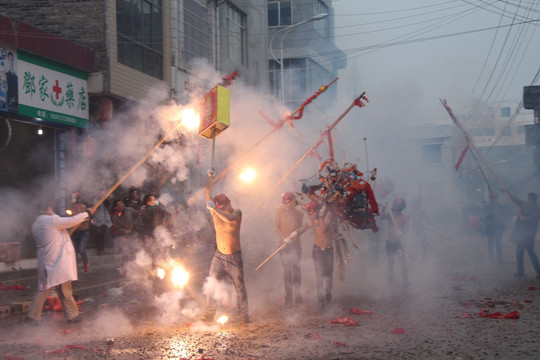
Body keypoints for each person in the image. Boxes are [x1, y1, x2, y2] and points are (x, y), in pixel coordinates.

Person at [24, 198, 95, 325]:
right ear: (46, 210)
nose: (52, 210)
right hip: (57, 261)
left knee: (43, 290)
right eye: (50, 208)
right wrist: (87, 214)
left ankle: (32, 316)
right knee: (65, 290)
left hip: (45, 260)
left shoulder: (36, 224)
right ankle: (72, 315)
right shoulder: (51, 220)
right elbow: (71, 221)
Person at [200, 193, 249, 324]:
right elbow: (207, 193)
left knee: (239, 287)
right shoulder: (215, 212)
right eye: (223, 206)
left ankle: (243, 315)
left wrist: (214, 209)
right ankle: (210, 313)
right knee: (211, 283)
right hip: (219, 256)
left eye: (227, 204)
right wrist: (210, 177)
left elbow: (228, 219)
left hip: (234, 257)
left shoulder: (237, 213)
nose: (227, 207)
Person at [286, 200, 336, 309]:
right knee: (319, 274)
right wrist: (293, 235)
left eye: (313, 213)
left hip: (328, 249)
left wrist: (320, 217)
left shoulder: (328, 214)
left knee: (328, 274)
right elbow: (304, 228)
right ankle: (320, 299)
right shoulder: (314, 217)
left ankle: (328, 295)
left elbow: (323, 229)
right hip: (317, 249)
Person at [275, 191, 304, 308]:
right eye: (285, 203)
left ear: (293, 202)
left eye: (288, 203)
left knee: (296, 270)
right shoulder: (279, 210)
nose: (286, 205)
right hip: (284, 246)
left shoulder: (299, 214)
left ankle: (297, 294)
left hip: (296, 246)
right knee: (287, 272)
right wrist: (284, 238)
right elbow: (277, 226)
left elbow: (300, 229)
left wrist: (297, 233)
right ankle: (289, 297)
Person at [505, 191, 540, 277]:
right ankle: (521, 272)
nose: (526, 197)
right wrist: (508, 193)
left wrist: (525, 218)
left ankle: (538, 271)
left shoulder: (536, 208)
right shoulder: (525, 204)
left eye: (528, 196)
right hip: (522, 233)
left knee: (530, 252)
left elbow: (534, 219)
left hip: (529, 234)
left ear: (530, 198)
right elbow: (516, 200)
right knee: (520, 252)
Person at [382, 197, 410, 288]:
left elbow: (406, 228)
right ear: (394, 206)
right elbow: (381, 217)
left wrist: (401, 232)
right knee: (390, 263)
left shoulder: (405, 217)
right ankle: (390, 283)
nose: (398, 208)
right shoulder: (390, 215)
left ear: (402, 207)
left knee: (403, 263)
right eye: (397, 206)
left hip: (399, 244)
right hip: (389, 243)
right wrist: (385, 207)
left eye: (400, 206)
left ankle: (405, 282)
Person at [69, 192, 91, 272]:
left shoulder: (83, 207)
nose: (73, 199)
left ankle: (86, 263)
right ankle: (74, 267)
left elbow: (87, 218)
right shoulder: (70, 208)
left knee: (81, 249)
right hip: (74, 232)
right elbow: (69, 219)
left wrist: (79, 220)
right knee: (74, 250)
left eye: (74, 197)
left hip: (84, 231)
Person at [484, 193, 505, 262]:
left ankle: (499, 258)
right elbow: (486, 218)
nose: (493, 200)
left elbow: (504, 216)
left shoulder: (500, 206)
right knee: (491, 245)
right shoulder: (488, 207)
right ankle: (491, 259)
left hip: (498, 228)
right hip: (490, 228)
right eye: (492, 198)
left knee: (498, 244)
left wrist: (502, 226)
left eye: (494, 198)